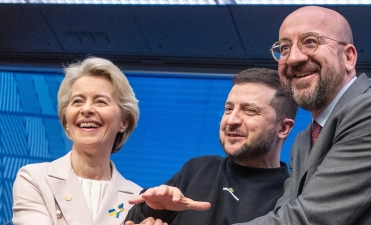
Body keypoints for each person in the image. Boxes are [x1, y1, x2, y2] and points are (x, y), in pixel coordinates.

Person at [233, 6, 371, 225]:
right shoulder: (304, 140)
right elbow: (286, 212)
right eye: (283, 48)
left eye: (310, 42)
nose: (293, 58)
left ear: (348, 57)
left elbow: (309, 218)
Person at [124, 68, 298, 225]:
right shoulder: (197, 169)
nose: (231, 120)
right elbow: (132, 221)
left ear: (283, 128)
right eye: (229, 109)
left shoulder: (289, 197)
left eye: (249, 110)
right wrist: (154, 209)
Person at [12, 57, 143, 225]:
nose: (86, 109)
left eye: (100, 101)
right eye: (78, 101)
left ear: (123, 122)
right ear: (66, 120)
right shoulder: (35, 179)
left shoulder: (137, 198)